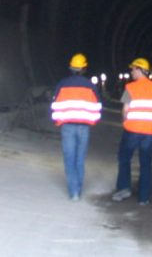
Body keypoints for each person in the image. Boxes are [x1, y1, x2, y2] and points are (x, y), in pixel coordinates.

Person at [112, 57, 152, 206]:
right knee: (146, 163)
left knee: (124, 158)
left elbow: (125, 109)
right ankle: (144, 197)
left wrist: (125, 121)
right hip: (150, 132)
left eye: (133, 69)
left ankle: (124, 188)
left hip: (132, 130)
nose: (131, 72)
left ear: (139, 70)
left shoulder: (131, 87)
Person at [50, 53, 103, 200]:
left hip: (67, 126)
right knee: (80, 159)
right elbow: (97, 107)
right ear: (84, 68)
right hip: (84, 127)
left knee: (69, 158)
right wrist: (92, 122)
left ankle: (73, 191)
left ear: (71, 68)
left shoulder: (62, 84)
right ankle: (78, 189)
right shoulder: (91, 86)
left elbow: (55, 106)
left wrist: (57, 121)